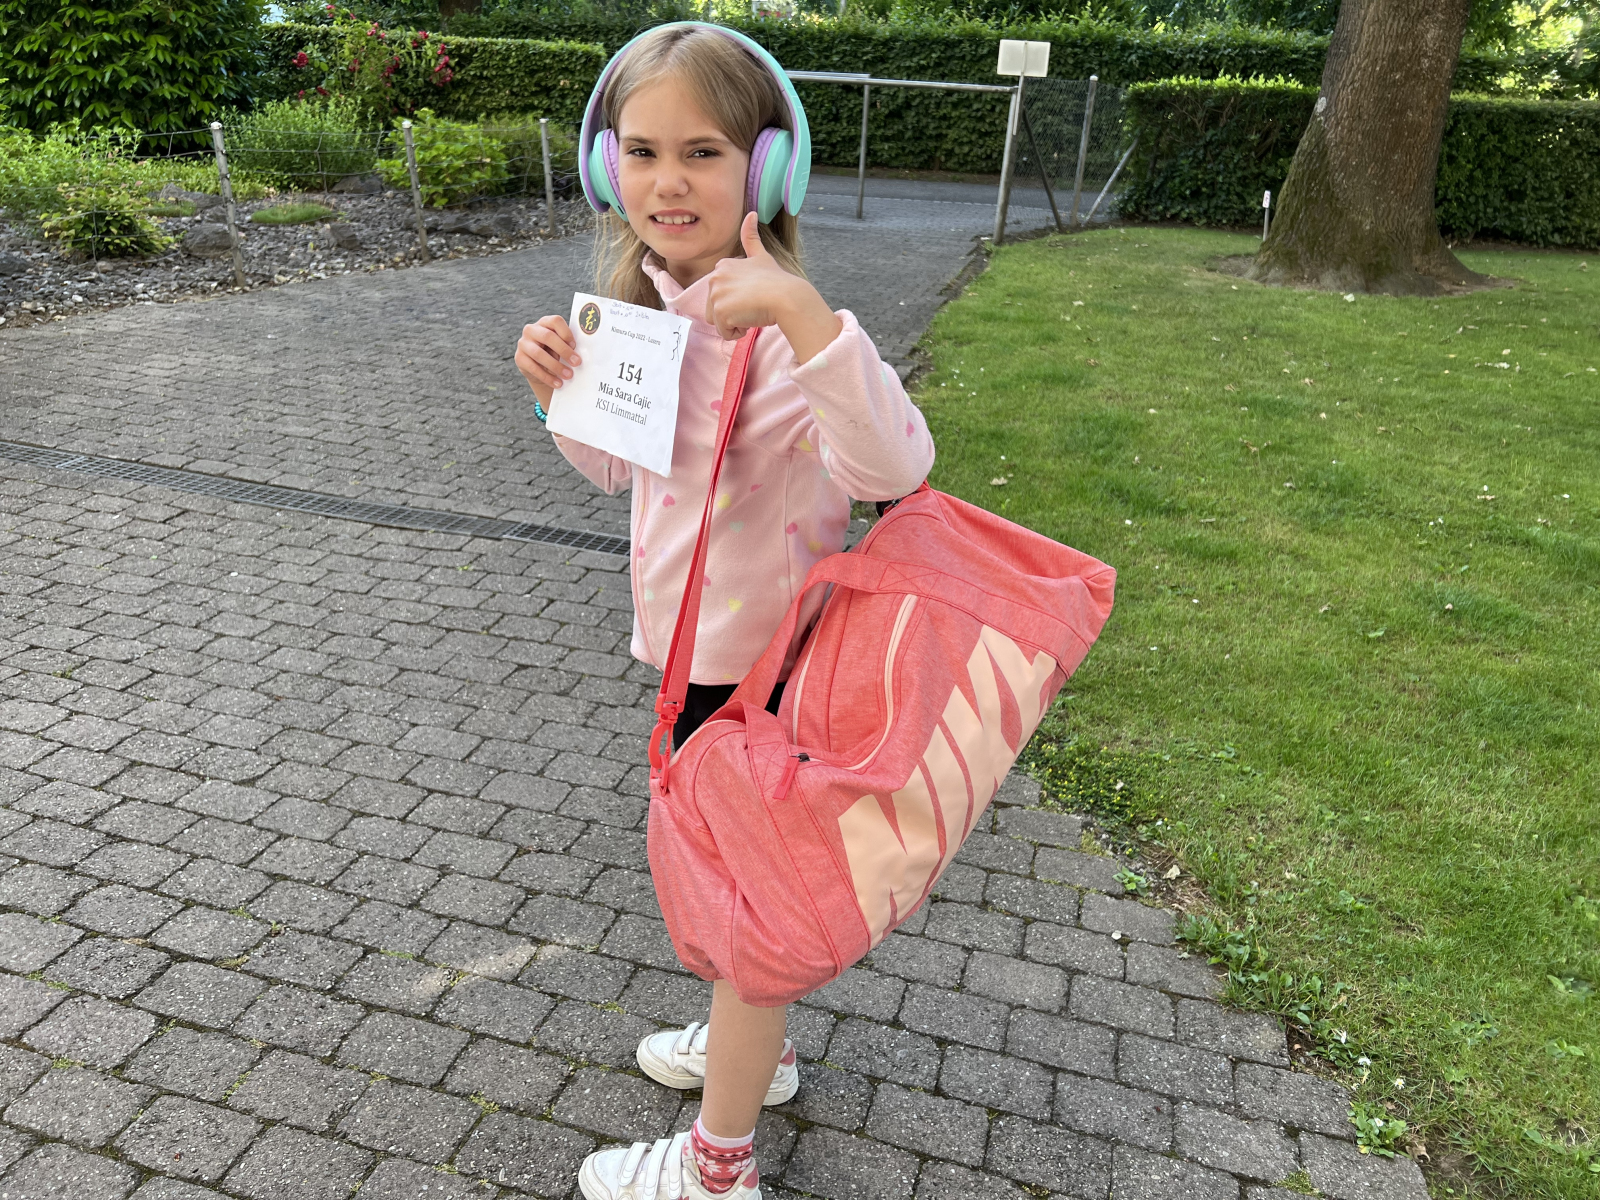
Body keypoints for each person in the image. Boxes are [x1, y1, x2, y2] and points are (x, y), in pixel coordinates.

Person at [514, 23, 933, 1200]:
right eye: (642, 152)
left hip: (765, 681)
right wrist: (560, 398)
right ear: (606, 168)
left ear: (770, 169)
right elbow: (623, 475)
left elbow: (895, 468)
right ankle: (762, 1053)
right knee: (731, 888)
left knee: (748, 917)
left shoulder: (797, 335)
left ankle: (717, 1167)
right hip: (689, 663)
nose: (667, 180)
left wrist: (807, 321)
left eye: (702, 152)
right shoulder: (648, 315)